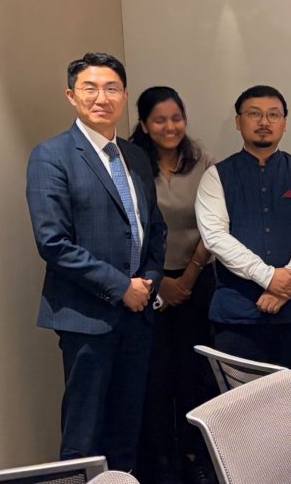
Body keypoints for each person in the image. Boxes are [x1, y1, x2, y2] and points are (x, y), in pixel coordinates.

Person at [26, 52, 166, 471]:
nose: (101, 97)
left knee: (127, 431)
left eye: (111, 88)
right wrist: (121, 287)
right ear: (72, 96)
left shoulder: (135, 156)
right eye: (90, 88)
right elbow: (53, 242)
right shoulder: (52, 155)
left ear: (124, 96)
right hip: (86, 317)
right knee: (83, 436)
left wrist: (147, 282)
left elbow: (154, 230)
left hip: (137, 315)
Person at [195, 85, 291, 385]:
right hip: (237, 314)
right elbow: (215, 237)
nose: (264, 122)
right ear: (238, 121)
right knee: (242, 405)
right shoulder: (216, 176)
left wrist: (283, 287)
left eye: (273, 115)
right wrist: (268, 277)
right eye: (254, 114)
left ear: (284, 122)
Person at [128, 86, 217, 483]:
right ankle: (160, 464)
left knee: (194, 374)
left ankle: (196, 459)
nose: (170, 127)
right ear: (145, 124)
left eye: (176, 118)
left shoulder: (202, 161)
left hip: (198, 281)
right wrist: (160, 281)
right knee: (156, 377)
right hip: (146, 285)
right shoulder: (130, 163)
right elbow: (131, 227)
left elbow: (213, 223)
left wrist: (188, 277)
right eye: (160, 120)